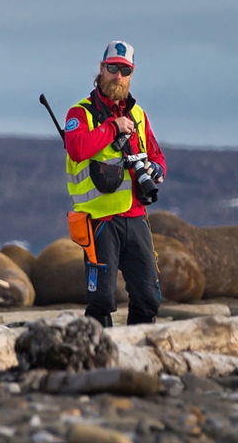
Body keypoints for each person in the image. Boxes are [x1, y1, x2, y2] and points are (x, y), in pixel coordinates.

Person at [63, 41, 166, 326]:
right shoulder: (79, 113)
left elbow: (158, 156)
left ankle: (138, 356)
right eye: (112, 68)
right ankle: (101, 364)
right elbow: (77, 148)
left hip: (136, 217)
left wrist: (155, 169)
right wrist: (113, 128)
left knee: (148, 298)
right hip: (99, 220)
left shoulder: (138, 115)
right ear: (101, 69)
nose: (117, 76)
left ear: (131, 74)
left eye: (124, 70)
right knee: (101, 301)